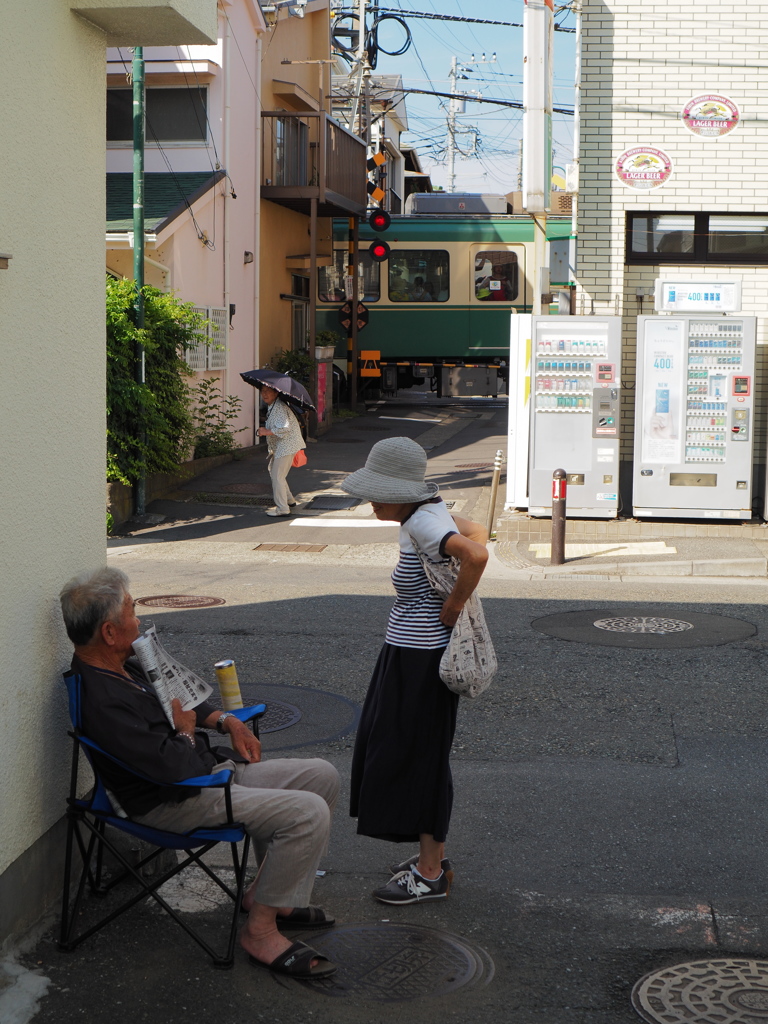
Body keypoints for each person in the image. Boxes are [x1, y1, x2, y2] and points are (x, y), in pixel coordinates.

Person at [59, 566, 339, 978]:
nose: (140, 620)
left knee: (322, 775)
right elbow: (173, 770)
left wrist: (227, 721)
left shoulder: (124, 661)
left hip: (202, 773)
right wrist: (187, 733)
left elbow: (181, 695)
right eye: (132, 612)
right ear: (109, 632)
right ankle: (260, 931)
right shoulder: (105, 700)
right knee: (307, 813)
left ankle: (266, 896)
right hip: (172, 800)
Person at [340, 437, 489, 905]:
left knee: (417, 758)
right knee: (408, 752)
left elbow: (477, 554)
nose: (370, 501)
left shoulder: (424, 521)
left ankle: (429, 873)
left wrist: (454, 603)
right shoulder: (424, 513)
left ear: (402, 492)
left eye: (376, 493)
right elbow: (479, 531)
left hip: (421, 660)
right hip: (407, 654)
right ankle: (431, 861)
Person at [257, 384, 306, 517]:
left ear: (276, 393)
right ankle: (289, 500)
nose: (265, 394)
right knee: (275, 472)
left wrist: (266, 431)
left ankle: (282, 508)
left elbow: (284, 428)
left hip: (286, 445)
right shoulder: (274, 406)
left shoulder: (279, 407)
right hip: (284, 445)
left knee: (277, 476)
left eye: (268, 391)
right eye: (263, 391)